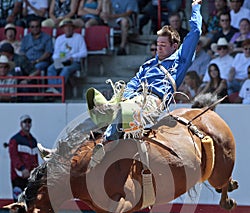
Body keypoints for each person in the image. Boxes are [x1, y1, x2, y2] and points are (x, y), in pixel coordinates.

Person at [86, 0, 202, 162]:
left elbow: (195, 32)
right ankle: (66, 149)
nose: (158, 48)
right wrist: (123, 97)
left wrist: (195, 9)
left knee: (121, 110)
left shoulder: (180, 60)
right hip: (134, 98)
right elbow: (133, 83)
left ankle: (107, 142)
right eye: (157, 44)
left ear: (174, 46)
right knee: (99, 111)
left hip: (153, 102)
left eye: (163, 45)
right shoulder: (148, 64)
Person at [6, 114, 38, 213]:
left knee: (29, 202)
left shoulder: (33, 141)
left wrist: (36, 172)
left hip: (30, 177)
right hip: (18, 176)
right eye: (25, 122)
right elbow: (14, 157)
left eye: (29, 122)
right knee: (17, 200)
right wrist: (22, 168)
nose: (27, 124)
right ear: (21, 124)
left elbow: (35, 159)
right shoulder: (15, 140)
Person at [46, 18, 87, 94]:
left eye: (70, 27)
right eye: (66, 27)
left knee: (66, 69)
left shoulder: (79, 37)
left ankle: (57, 90)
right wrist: (58, 59)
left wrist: (73, 57)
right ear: (63, 29)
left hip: (74, 62)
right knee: (51, 68)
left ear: (73, 28)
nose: (68, 29)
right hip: (62, 60)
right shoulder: (59, 39)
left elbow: (84, 52)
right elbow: (55, 54)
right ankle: (53, 88)